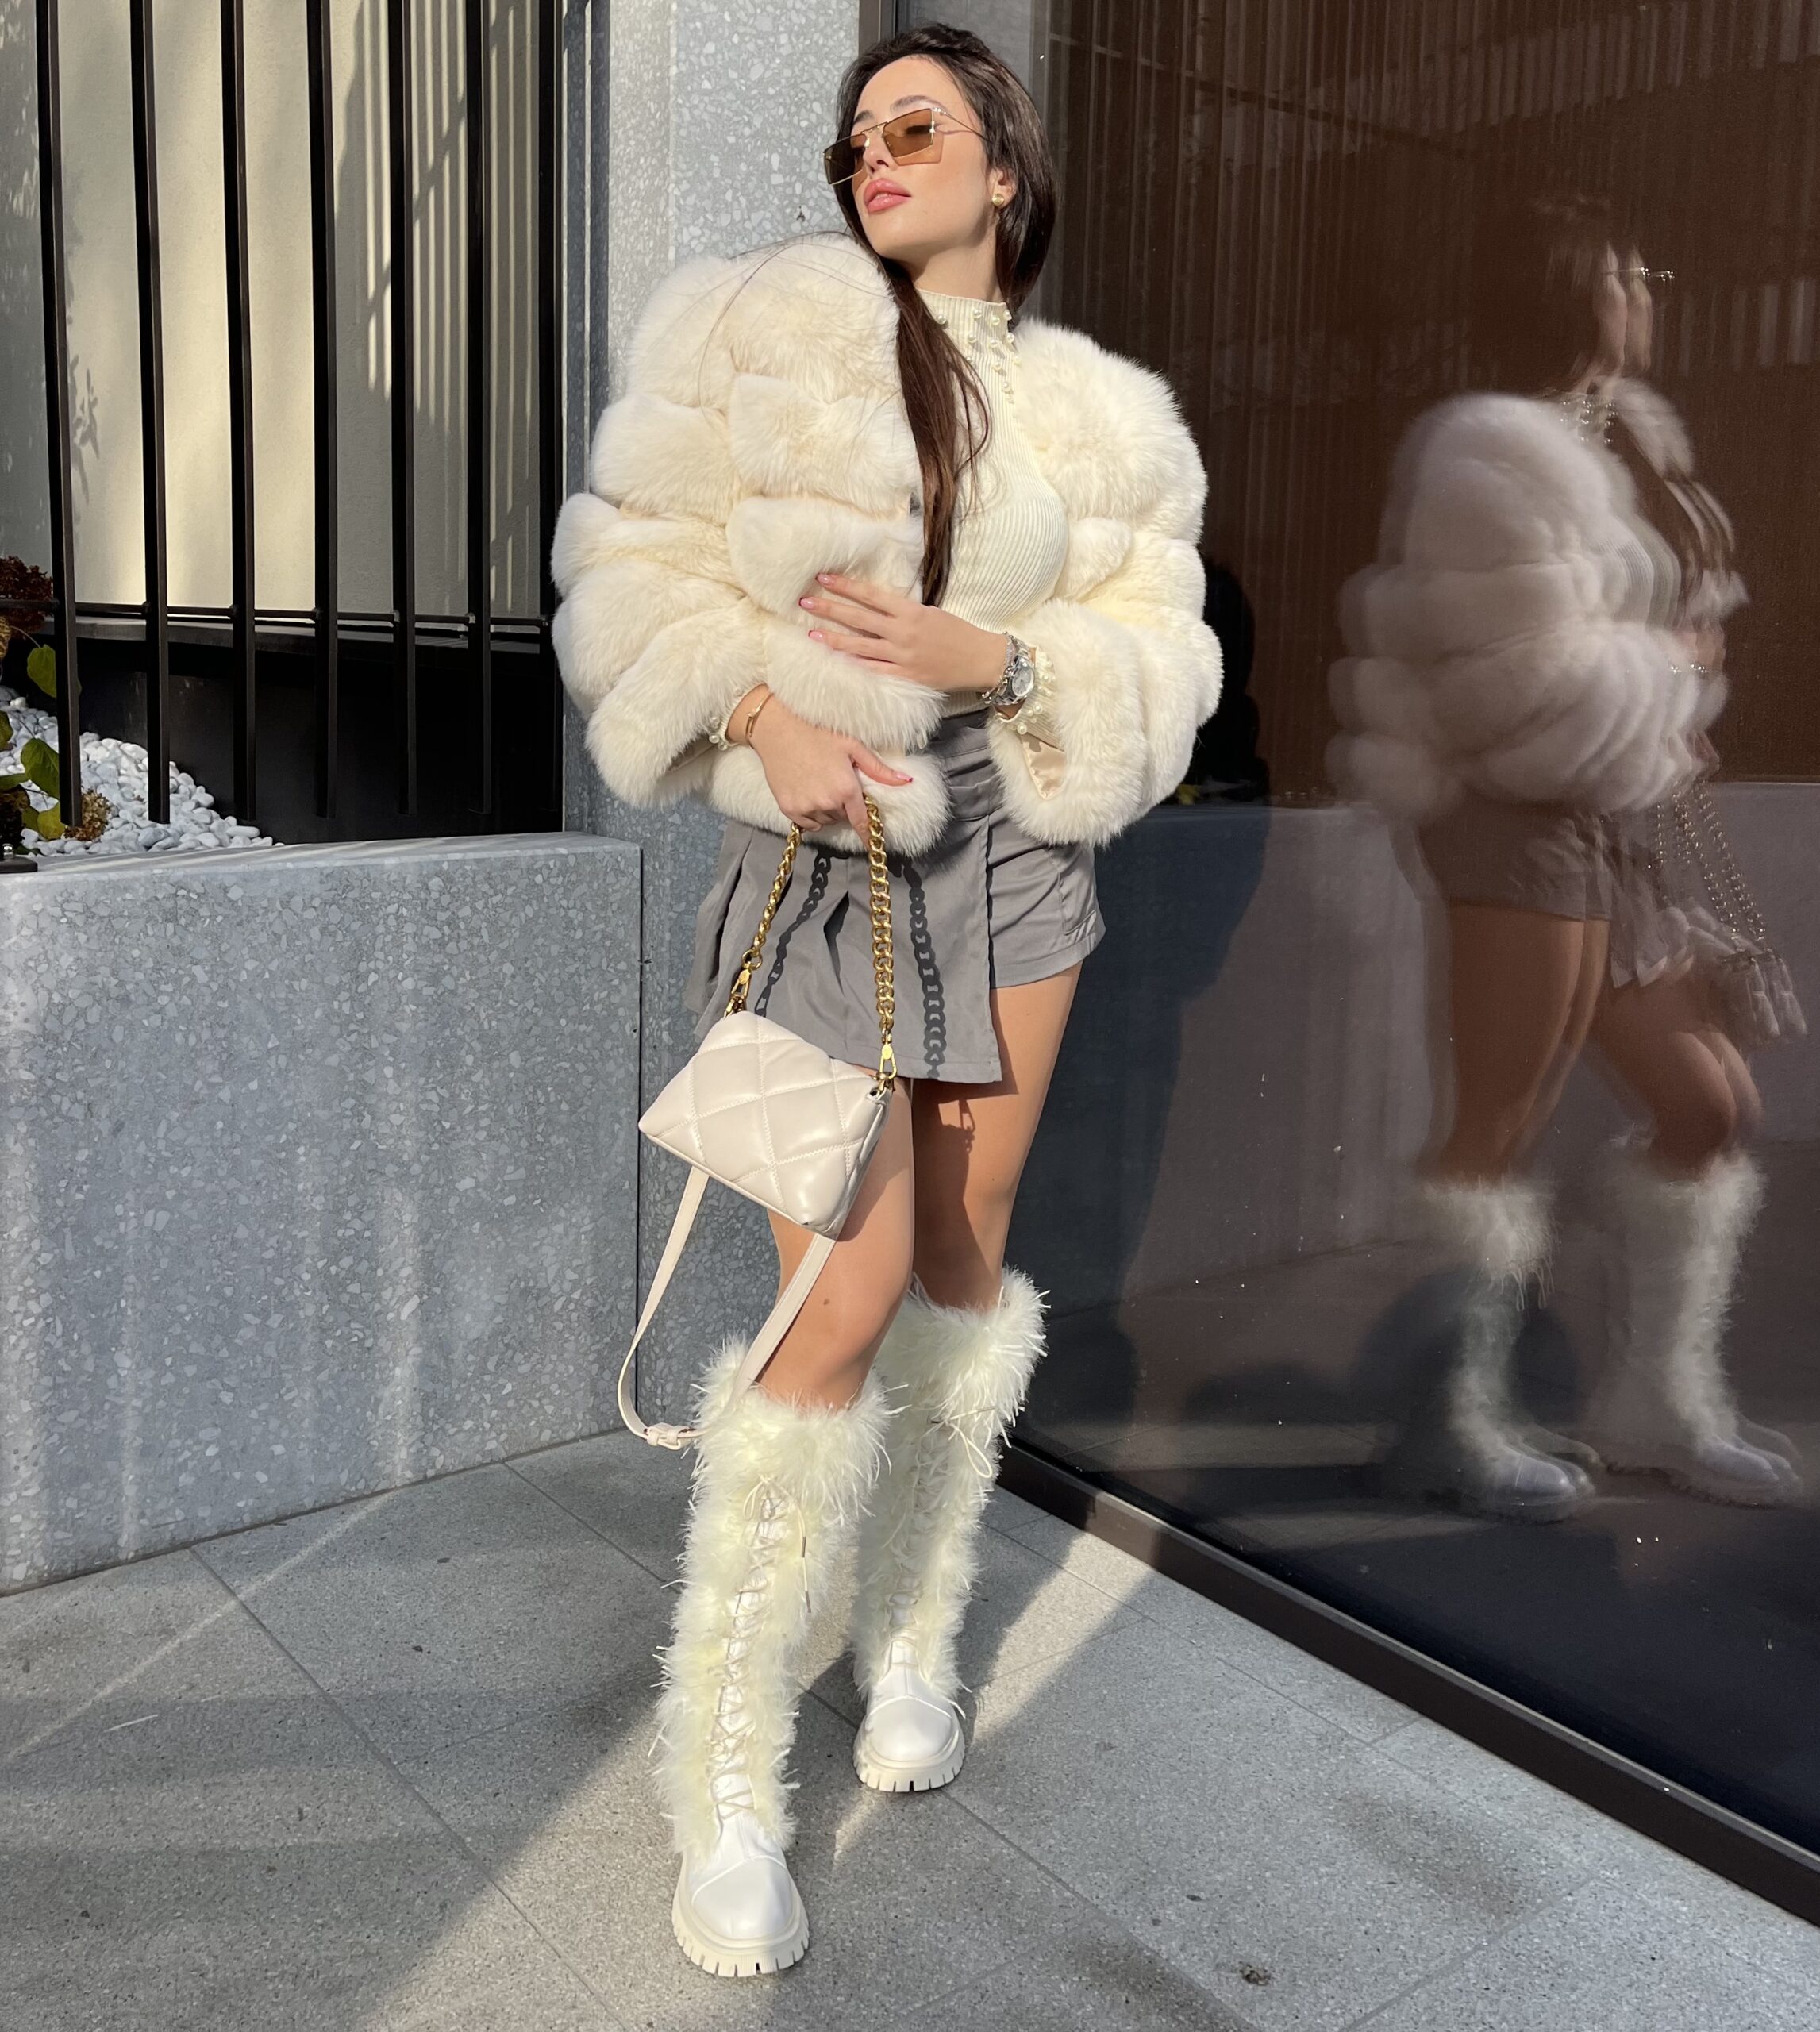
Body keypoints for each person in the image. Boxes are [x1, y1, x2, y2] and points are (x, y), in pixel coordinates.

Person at [552, 24, 1218, 1977]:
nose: (874, 155)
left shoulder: (1102, 413)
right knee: (832, 1299)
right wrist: (761, 713)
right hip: (825, 864)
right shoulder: (754, 323)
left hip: (1015, 865)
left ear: (1005, 165)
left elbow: (1160, 651)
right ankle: (726, 1764)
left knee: (958, 1266)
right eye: (855, 135)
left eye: (915, 125)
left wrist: (989, 656)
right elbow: (630, 574)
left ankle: (909, 1629)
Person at [1329, 192, 1800, 1526]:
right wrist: (1671, 674)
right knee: (1501, 1122)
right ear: (1563, 292)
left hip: (1619, 817)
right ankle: (1442, 1425)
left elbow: (1660, 629)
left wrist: (1671, 680)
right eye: (1623, 276)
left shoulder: (1629, 435)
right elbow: (1515, 682)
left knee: (1709, 1108)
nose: (1646, 294)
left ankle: (1654, 1400)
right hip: (1519, 813)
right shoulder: (1489, 447)